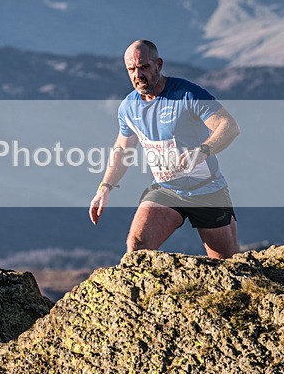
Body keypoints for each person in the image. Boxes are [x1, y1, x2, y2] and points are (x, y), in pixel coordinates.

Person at [88, 40, 240, 259]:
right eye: (131, 69)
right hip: (167, 190)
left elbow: (229, 126)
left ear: (159, 65)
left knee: (228, 266)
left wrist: (202, 151)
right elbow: (123, 149)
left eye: (144, 67)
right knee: (138, 248)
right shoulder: (128, 107)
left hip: (207, 191)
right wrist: (104, 187)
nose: (138, 74)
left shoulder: (187, 94)